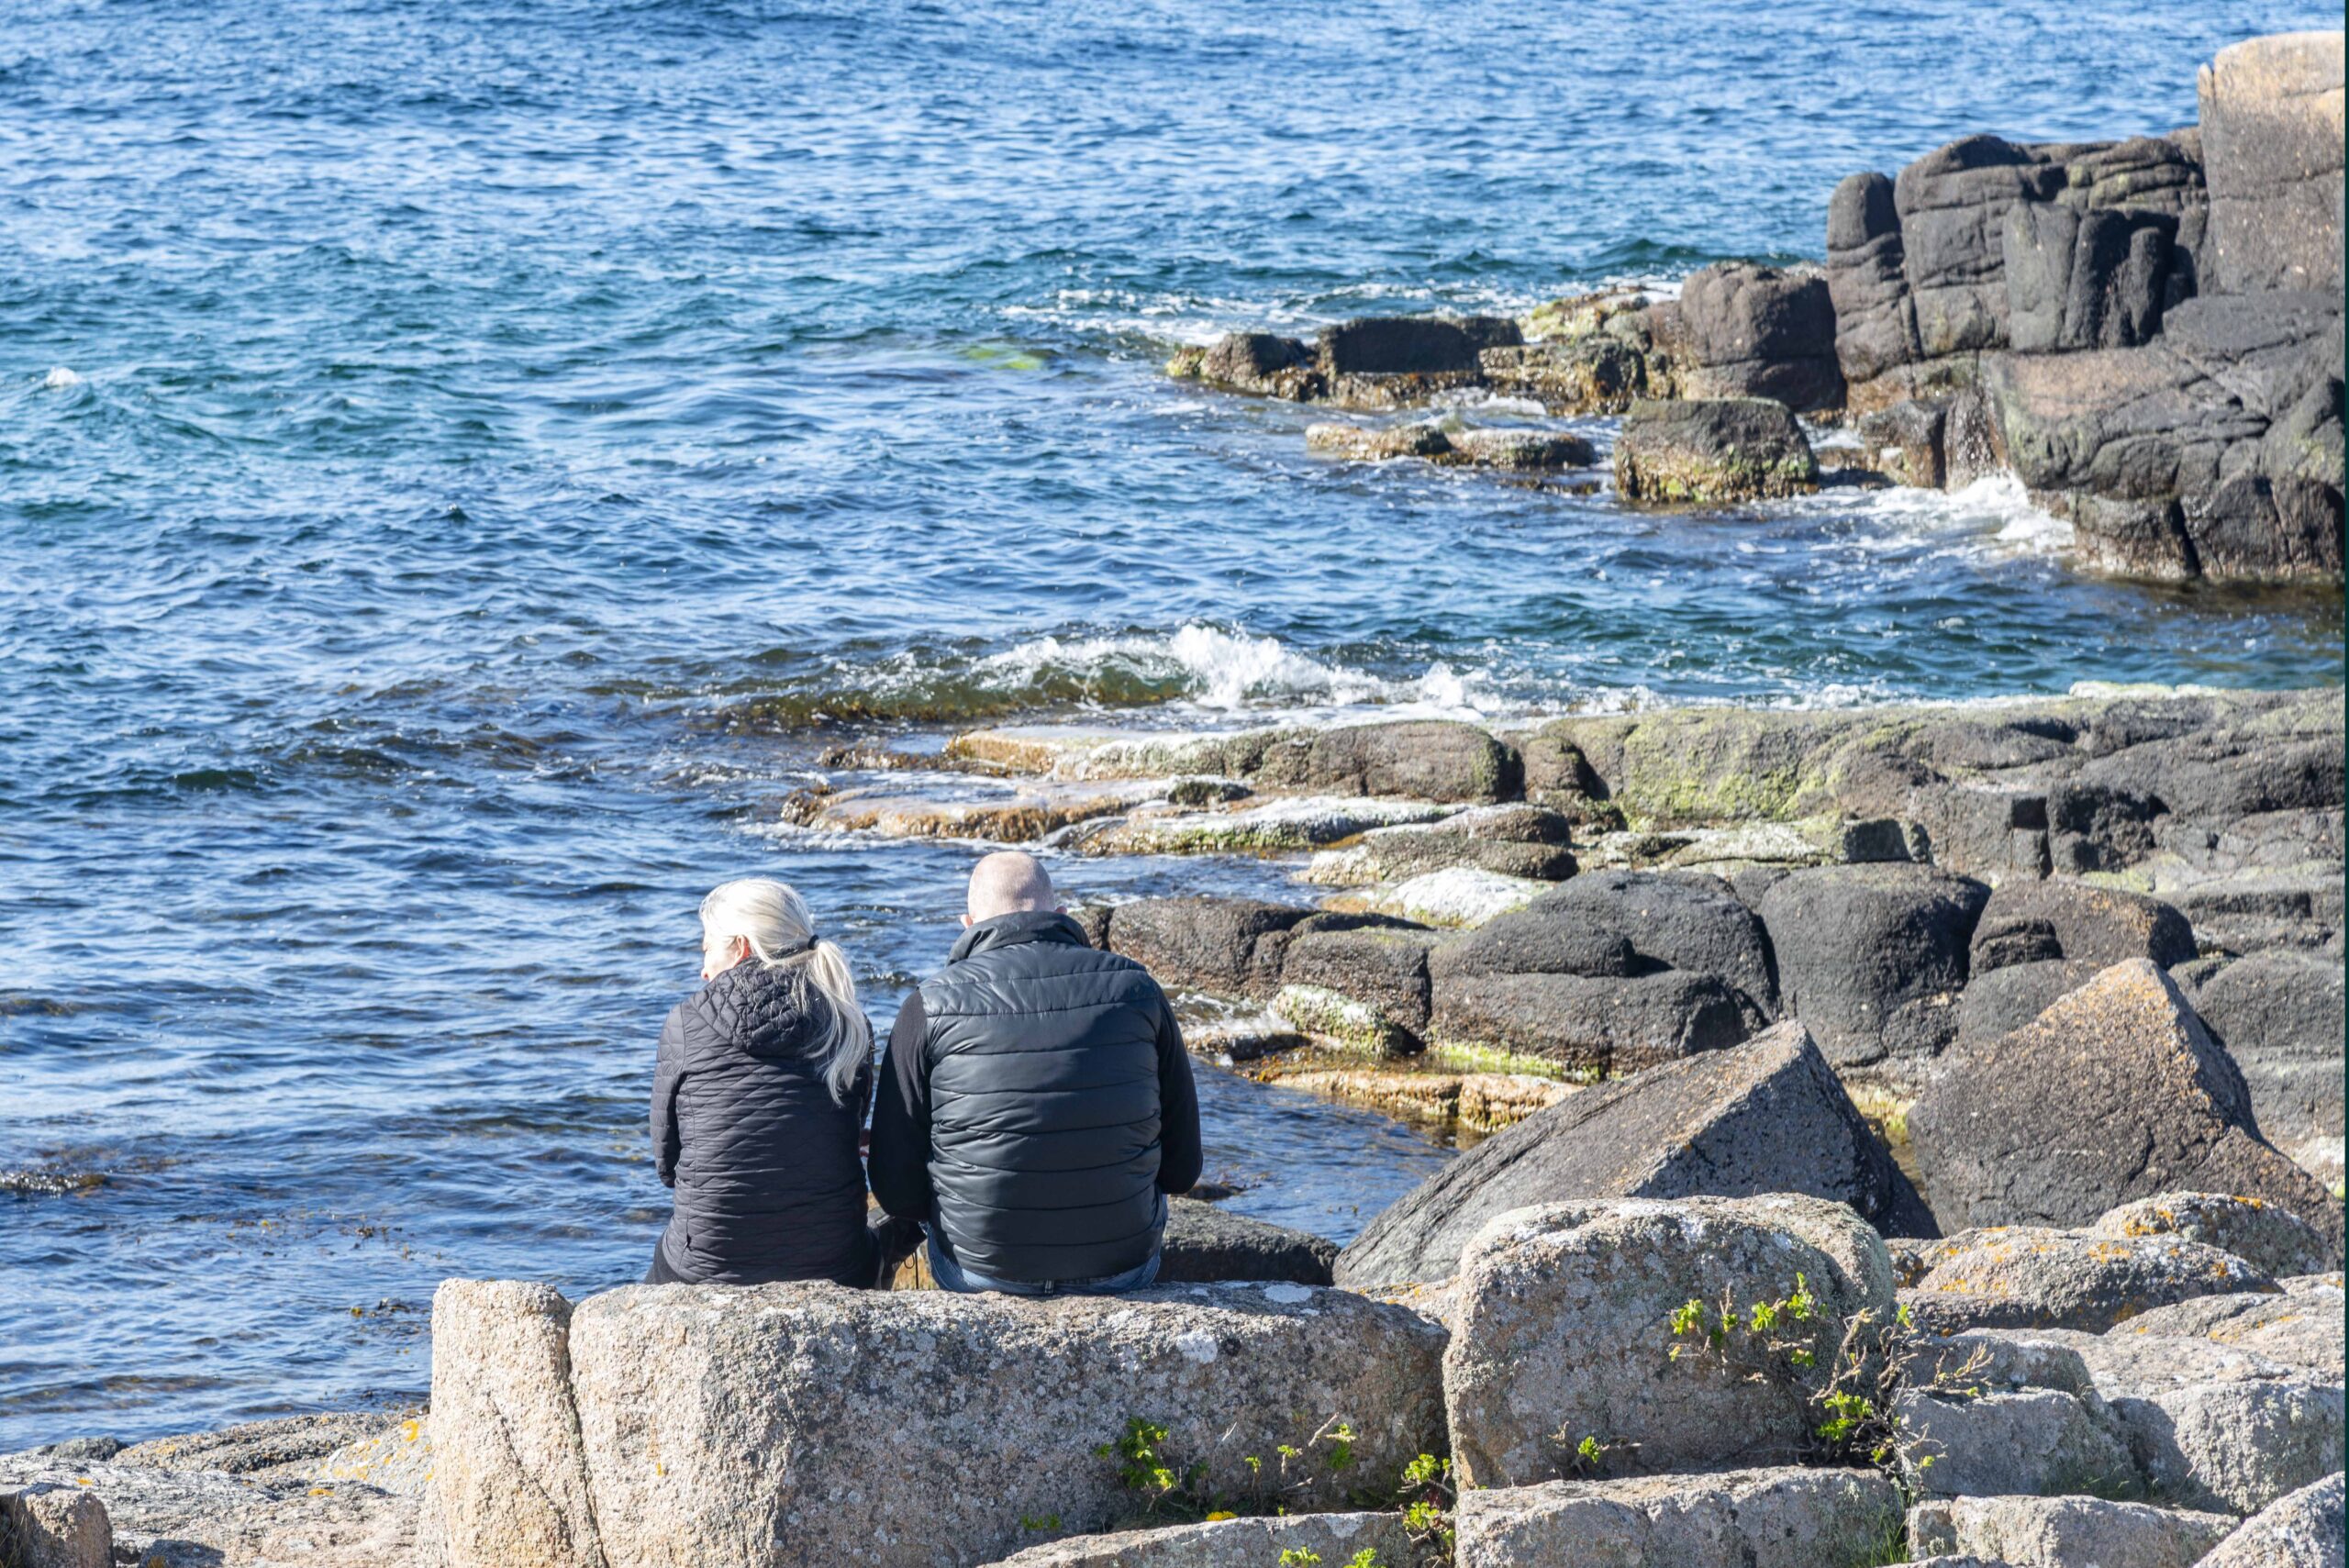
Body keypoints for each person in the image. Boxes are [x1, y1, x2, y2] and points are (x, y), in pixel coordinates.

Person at [868, 851, 1200, 1296]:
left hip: (979, 1272)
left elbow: (895, 1187)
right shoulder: (1137, 990)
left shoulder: (928, 1005)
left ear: (968, 924)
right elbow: (1183, 1169)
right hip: (1121, 1267)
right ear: (1061, 915)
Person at [647, 877, 880, 1287]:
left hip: (705, 1266)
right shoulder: (849, 1023)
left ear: (741, 948)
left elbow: (668, 1165)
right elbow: (850, 1129)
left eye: (707, 949)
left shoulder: (684, 1022)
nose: (703, 969)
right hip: (834, 1264)